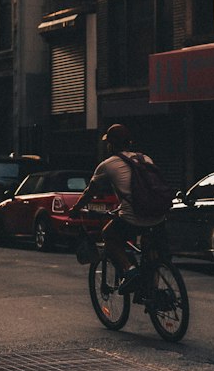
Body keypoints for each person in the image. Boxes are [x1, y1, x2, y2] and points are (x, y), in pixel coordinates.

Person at [69, 123, 168, 297]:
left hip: (134, 217)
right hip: (158, 215)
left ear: (111, 145)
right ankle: (153, 291)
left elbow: (89, 192)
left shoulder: (108, 165)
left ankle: (130, 271)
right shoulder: (145, 158)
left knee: (108, 234)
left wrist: (76, 209)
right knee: (151, 249)